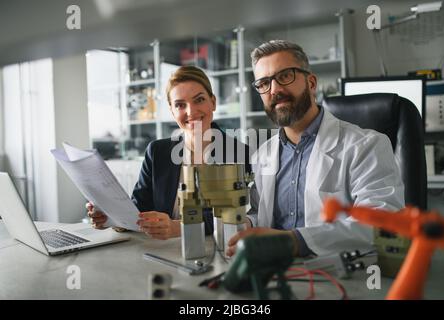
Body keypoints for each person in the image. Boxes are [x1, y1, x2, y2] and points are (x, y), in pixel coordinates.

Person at [226, 40, 405, 257]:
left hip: (341, 275)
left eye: (284, 76)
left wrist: (293, 241)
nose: (274, 90)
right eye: (264, 83)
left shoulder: (366, 146)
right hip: (273, 269)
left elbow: (382, 221)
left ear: (311, 83)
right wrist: (244, 224)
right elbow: (259, 214)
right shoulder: (262, 155)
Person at [87, 65, 250, 240]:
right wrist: (112, 217)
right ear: (172, 111)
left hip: (214, 253)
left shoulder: (239, 153)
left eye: (199, 100)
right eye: (180, 105)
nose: (191, 111)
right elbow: (139, 209)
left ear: (213, 102)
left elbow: (233, 217)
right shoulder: (157, 152)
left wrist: (180, 228)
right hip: (160, 251)